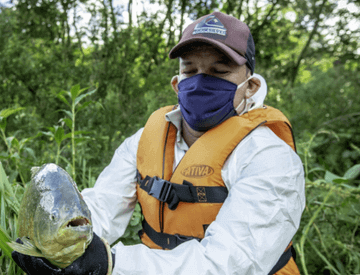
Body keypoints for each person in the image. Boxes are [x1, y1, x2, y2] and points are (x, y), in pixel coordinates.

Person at [12, 11, 305, 275]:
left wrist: (110, 263)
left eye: (219, 71)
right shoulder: (144, 140)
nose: (202, 82)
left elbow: (230, 263)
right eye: (191, 71)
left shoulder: (270, 157)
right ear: (177, 84)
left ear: (250, 86)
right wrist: (57, 244)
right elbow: (102, 206)